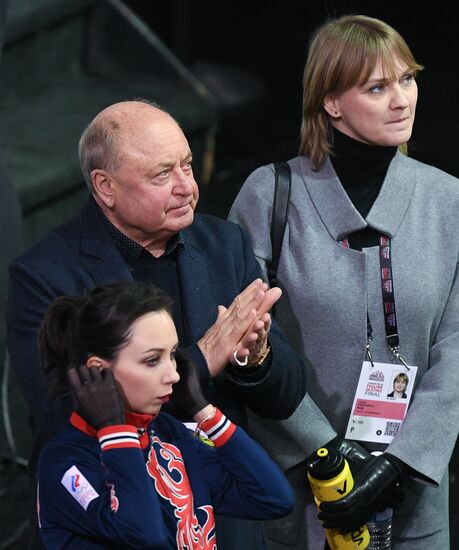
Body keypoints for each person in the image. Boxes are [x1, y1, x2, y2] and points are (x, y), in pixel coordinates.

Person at [6, 100, 306, 549]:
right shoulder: (46, 274)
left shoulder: (224, 244)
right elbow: (62, 412)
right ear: (105, 187)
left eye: (187, 165)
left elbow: (286, 397)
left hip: (223, 516)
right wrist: (202, 361)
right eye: (162, 175)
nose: (187, 186)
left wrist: (254, 358)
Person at [228, 13, 459, 549]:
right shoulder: (269, 196)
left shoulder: (448, 200)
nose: (402, 99)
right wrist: (326, 452)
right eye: (378, 87)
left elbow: (455, 350)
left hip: (414, 501)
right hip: (300, 496)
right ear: (331, 103)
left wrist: (399, 465)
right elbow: (250, 350)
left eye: (407, 79)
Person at [36, 281, 295, 548]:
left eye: (172, 355)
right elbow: (146, 536)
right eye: (152, 360)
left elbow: (274, 498)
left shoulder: (167, 434)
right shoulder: (65, 463)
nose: (173, 374)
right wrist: (115, 430)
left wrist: (204, 411)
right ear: (99, 371)